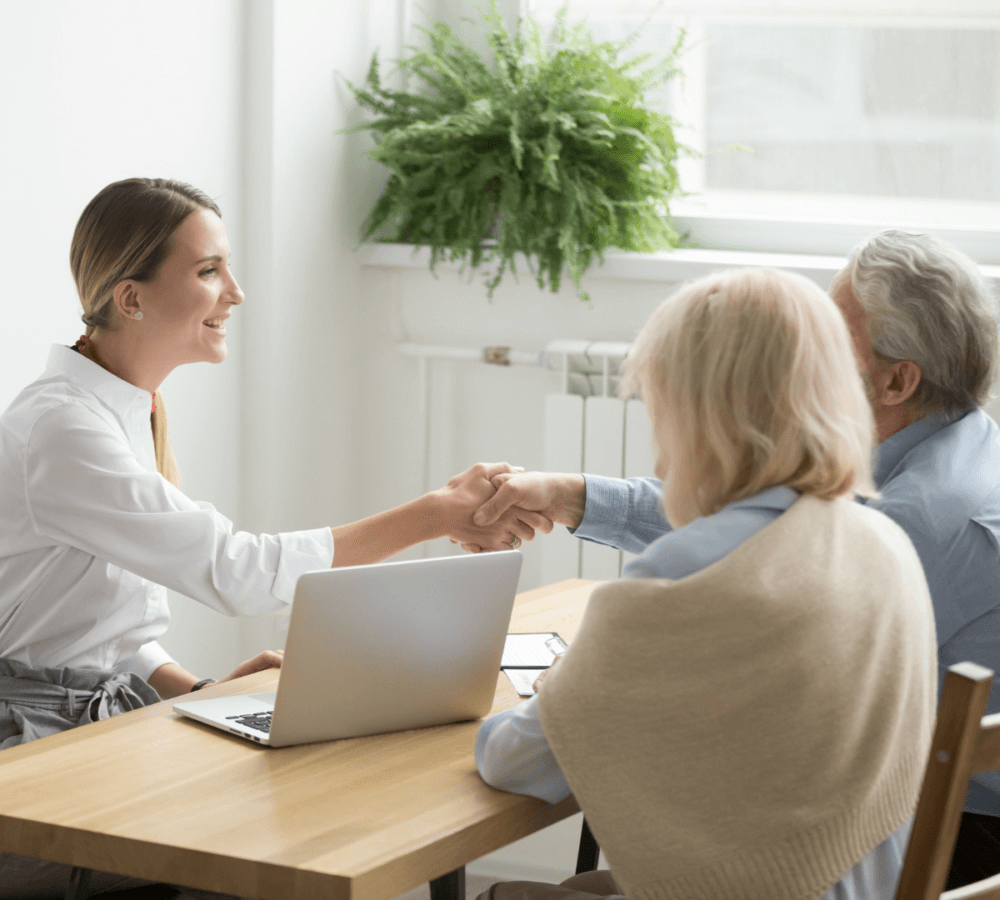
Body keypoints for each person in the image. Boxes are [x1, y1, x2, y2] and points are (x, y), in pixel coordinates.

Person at [0, 177, 547, 899]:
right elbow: (235, 572)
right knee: (284, 848)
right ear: (131, 298)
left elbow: (92, 621)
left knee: (326, 801)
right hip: (30, 746)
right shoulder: (63, 431)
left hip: (91, 715)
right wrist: (435, 514)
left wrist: (191, 688)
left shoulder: (127, 409)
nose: (236, 292)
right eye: (207, 271)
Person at [474, 230, 1000, 888]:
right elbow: (758, 535)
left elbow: (519, 757)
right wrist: (579, 498)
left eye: (833, 345)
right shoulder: (934, 478)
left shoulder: (911, 520)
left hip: (952, 841)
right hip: (866, 850)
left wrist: (589, 687)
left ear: (897, 380)